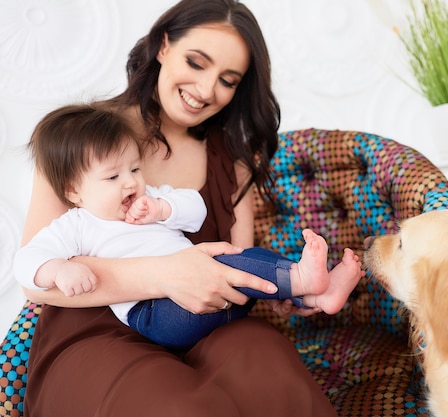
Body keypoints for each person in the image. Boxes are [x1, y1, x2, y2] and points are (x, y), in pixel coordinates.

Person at [19, 0, 352, 415]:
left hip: (206, 325)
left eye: (228, 80)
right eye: (196, 62)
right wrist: (167, 274)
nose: (207, 89)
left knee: (272, 372)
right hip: (97, 331)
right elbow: (35, 281)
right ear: (163, 46)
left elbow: (237, 263)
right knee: (175, 406)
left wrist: (281, 286)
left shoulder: (233, 160)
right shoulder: (77, 140)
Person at [14, 104, 362, 350]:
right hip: (159, 314)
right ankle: (303, 280)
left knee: (244, 256)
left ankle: (316, 292)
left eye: (134, 170)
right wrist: (58, 270)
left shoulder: (150, 199)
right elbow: (27, 262)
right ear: (74, 191)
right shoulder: (76, 225)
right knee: (230, 264)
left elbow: (195, 211)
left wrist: (163, 209)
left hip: (220, 295)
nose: (130, 184)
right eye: (112, 176)